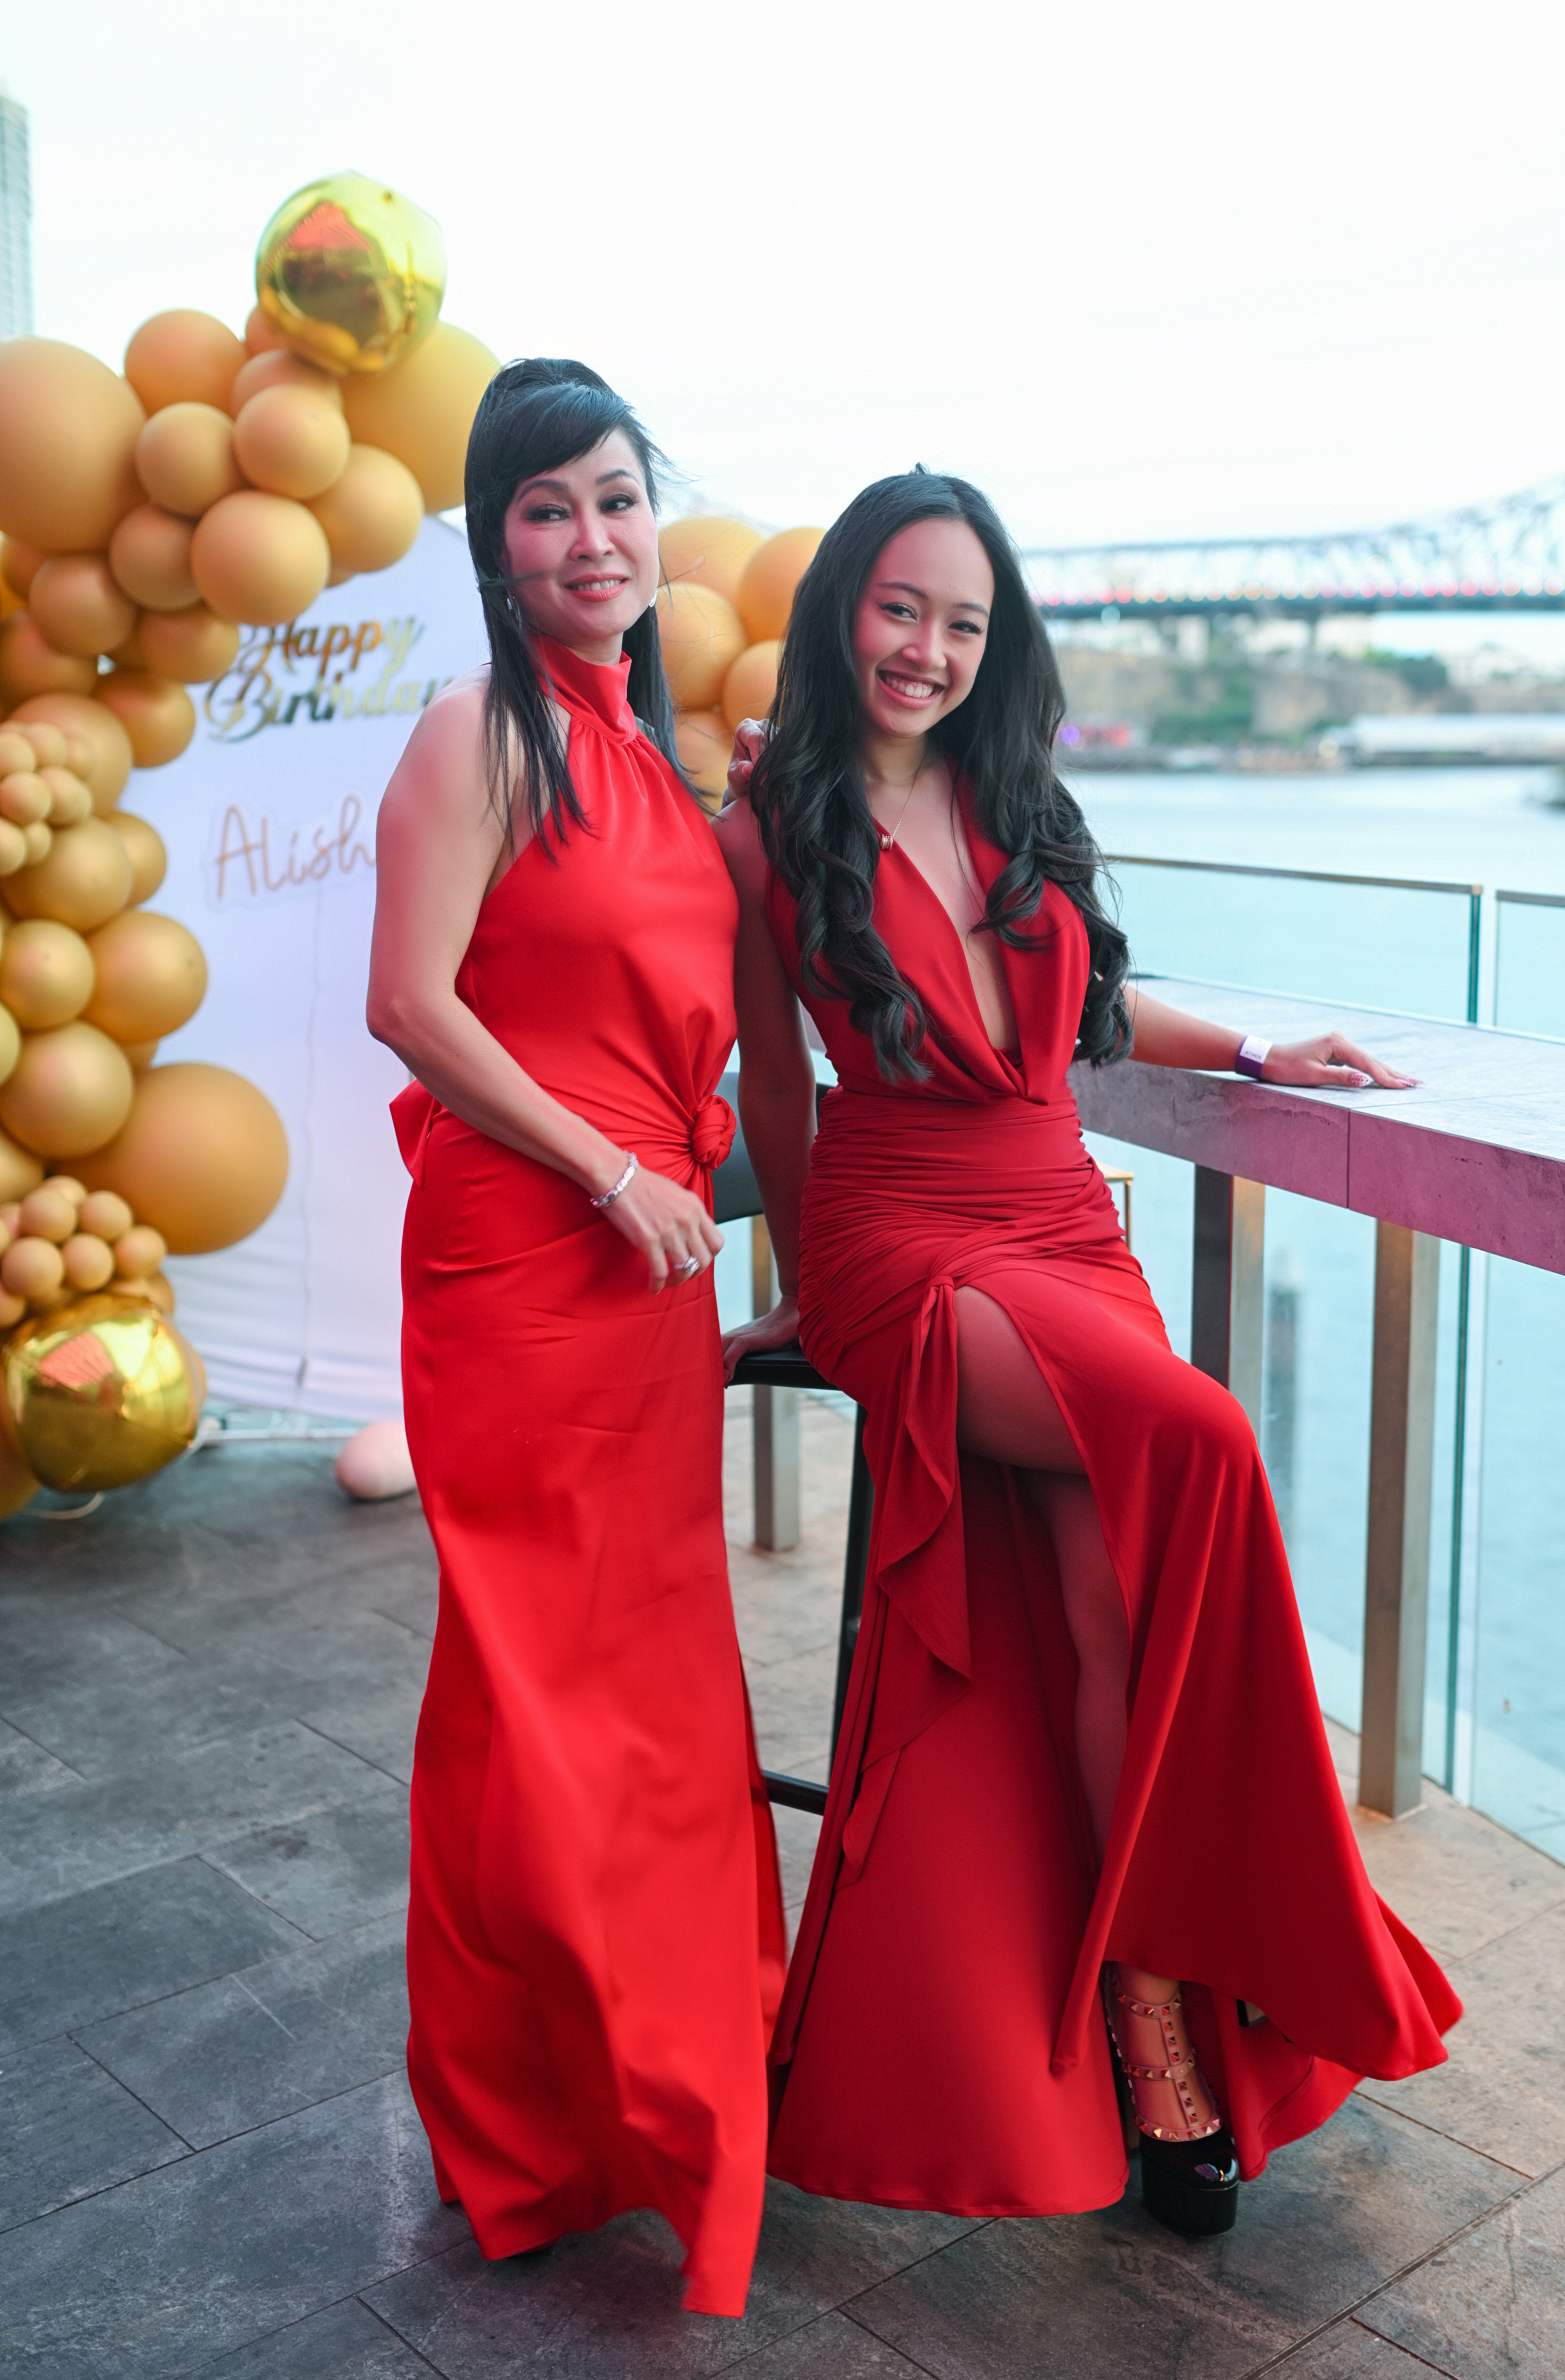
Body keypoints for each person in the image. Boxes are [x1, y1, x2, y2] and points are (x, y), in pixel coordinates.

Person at [716, 468, 1460, 2241]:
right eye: (900, 608)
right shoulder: (764, 829)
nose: (928, 648)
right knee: (1201, 1442)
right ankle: (1247, 1935)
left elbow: (1094, 1014)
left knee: (1113, 1607)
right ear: (841, 610)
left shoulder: (1017, 795)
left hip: (1061, 1221)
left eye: (964, 622)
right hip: (905, 1244)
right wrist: (809, 1285)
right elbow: (774, 1088)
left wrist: (1263, 1054)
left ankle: (1148, 2016)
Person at [367, 359, 783, 2318]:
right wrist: (609, 1171)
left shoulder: (664, 763)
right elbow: (411, 1003)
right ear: (498, 543)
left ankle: (646, 2095)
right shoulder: (479, 733)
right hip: (534, 1266)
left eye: (618, 497)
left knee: (646, 1693)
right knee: (540, 1703)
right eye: (549, 508)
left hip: (653, 1280)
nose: (595, 538)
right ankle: (547, 2125)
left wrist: (756, 823)